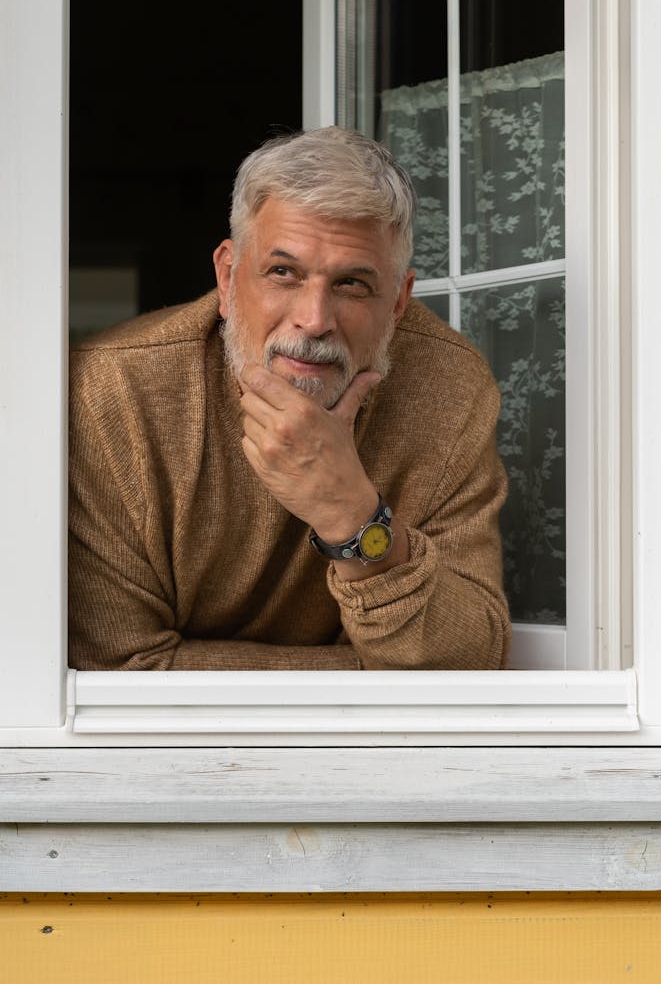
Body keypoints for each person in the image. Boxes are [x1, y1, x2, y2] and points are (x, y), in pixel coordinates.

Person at [68, 127, 510, 670]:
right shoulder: (113, 393)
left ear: (397, 303)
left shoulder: (450, 390)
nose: (314, 320)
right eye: (283, 273)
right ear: (228, 277)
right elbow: (117, 670)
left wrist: (351, 514)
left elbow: (469, 663)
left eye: (351, 284)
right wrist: (366, 676)